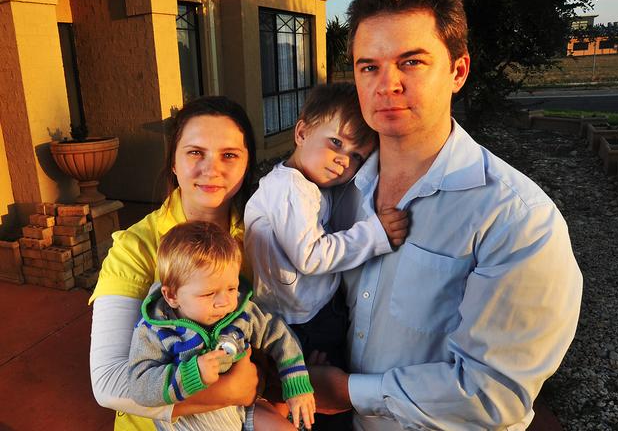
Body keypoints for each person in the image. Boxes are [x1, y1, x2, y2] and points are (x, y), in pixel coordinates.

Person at [310, 0, 583, 430]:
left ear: (458, 71)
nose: (386, 84)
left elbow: (492, 393)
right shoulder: (340, 191)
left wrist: (346, 392)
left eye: (411, 62)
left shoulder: (516, 219)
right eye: (368, 66)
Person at [90, 96, 260, 431]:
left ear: (247, 164)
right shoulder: (136, 248)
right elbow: (108, 384)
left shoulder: (258, 237)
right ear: (173, 162)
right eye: (195, 152)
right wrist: (228, 393)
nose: (211, 169)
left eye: (229, 155)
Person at [244, 83, 408, 368]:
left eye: (357, 156)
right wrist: (375, 233)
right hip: (297, 323)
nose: (343, 160)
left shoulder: (312, 185)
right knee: (310, 397)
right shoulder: (287, 189)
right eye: (336, 142)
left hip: (312, 310)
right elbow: (310, 256)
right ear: (302, 133)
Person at [128, 221, 315, 431]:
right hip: (189, 421)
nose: (224, 302)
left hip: (242, 411)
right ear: (171, 295)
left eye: (231, 288)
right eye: (208, 294)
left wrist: (297, 386)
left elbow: (279, 336)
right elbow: (139, 386)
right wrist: (192, 374)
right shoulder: (156, 330)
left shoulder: (241, 314)